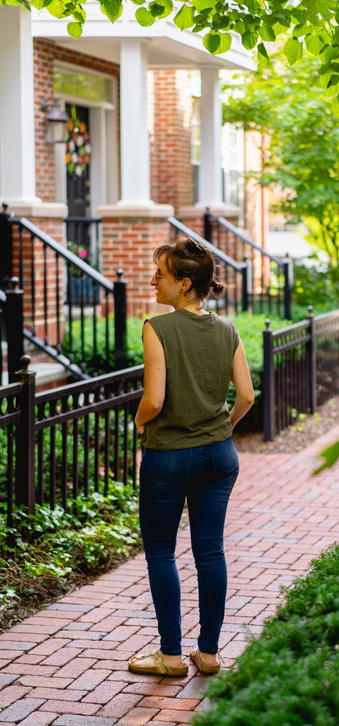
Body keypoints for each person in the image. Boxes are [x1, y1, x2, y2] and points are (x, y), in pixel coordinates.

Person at [128, 236, 254, 678]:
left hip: (169, 457)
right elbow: (246, 395)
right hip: (219, 457)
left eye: (159, 275)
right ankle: (210, 654)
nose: (151, 281)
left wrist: (139, 421)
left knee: (161, 552)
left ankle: (169, 656)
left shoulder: (157, 327)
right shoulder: (227, 329)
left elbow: (154, 399)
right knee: (210, 551)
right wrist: (224, 429)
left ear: (184, 284)